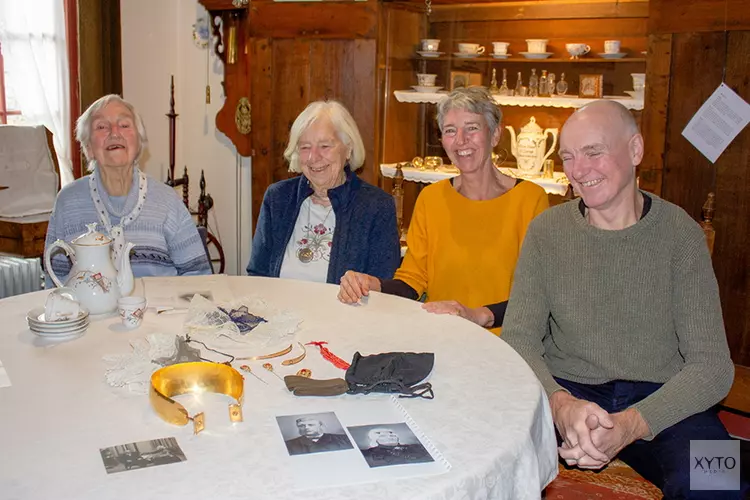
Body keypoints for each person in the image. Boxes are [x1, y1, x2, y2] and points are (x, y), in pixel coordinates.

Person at [502, 100, 747, 498]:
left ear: (635, 150)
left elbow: (713, 367)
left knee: (722, 479)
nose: (579, 170)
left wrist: (632, 424)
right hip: (567, 387)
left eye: (593, 152)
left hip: (663, 396)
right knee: (489, 454)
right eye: (568, 157)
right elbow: (519, 339)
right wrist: (560, 405)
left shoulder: (679, 234)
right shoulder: (547, 232)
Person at [338, 87, 548, 332]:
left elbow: (538, 293)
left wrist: (478, 315)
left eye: (472, 128)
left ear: (495, 134)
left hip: (508, 341)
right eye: (450, 131)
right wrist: (373, 284)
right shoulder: (431, 199)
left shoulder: (530, 200)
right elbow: (413, 280)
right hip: (444, 336)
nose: (460, 140)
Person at [45, 94, 211, 282]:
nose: (114, 133)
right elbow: (54, 282)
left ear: (139, 142)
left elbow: (199, 276)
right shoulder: (67, 202)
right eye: (101, 127)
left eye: (124, 125)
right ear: (88, 146)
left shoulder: (167, 201)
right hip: (90, 312)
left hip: (161, 309)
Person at [247, 100, 400, 284]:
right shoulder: (278, 198)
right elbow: (257, 275)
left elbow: (381, 288)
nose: (313, 157)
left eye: (325, 146)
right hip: (281, 311)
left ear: (348, 149)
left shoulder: (376, 207)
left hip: (345, 313)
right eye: (305, 147)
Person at [360, 427, 433, 468]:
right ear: (372, 438)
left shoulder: (417, 448)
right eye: (379, 433)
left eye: (390, 432)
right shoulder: (366, 454)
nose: (389, 435)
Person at [284, 417, 353, 456]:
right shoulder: (288, 444)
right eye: (301, 426)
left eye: (311, 425)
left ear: (320, 425)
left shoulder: (344, 439)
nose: (306, 428)